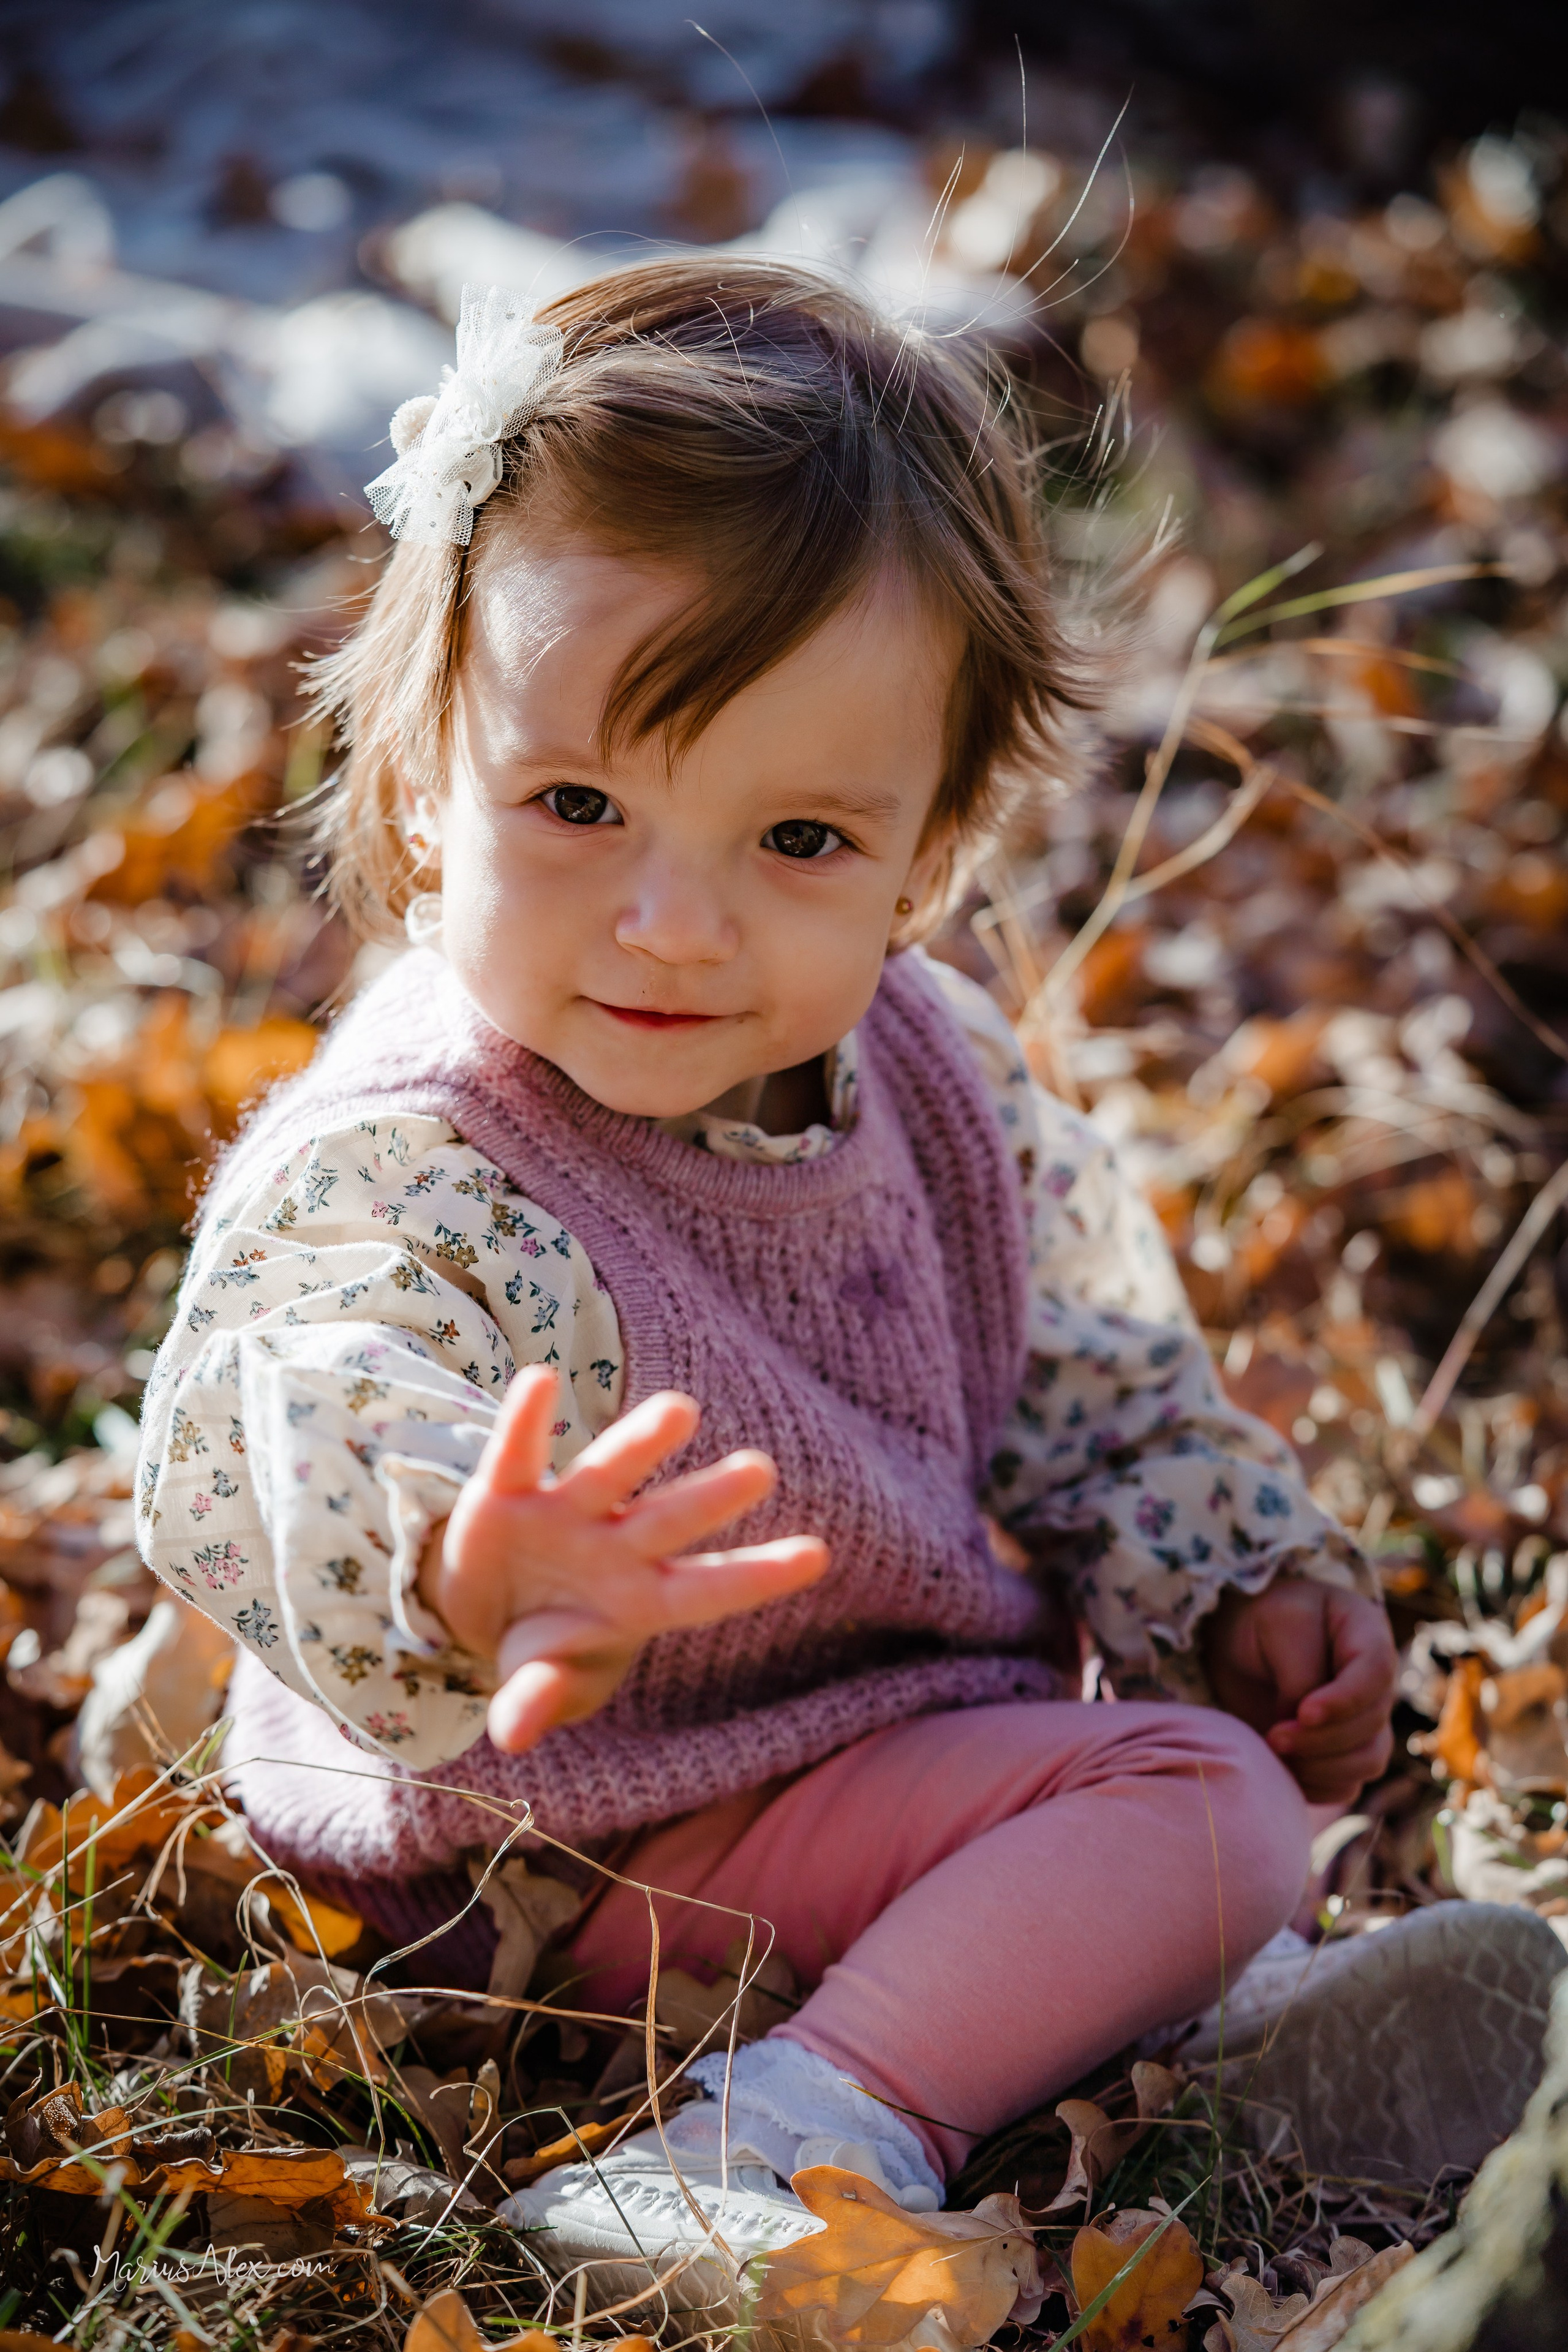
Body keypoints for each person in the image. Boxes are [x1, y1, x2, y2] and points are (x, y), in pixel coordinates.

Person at [134, 265, 1544, 2313]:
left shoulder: (943, 1095)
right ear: (426, 766)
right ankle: (791, 2131)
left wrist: (1229, 1578)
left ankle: (1180, 2039)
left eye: (797, 836)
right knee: (1200, 1807)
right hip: (551, 1849)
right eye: (580, 805)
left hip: (823, 1775)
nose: (670, 921)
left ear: (931, 852)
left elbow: (1099, 1373)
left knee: (1201, 1775)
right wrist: (465, 1558)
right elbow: (295, 1388)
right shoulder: (432, 1151)